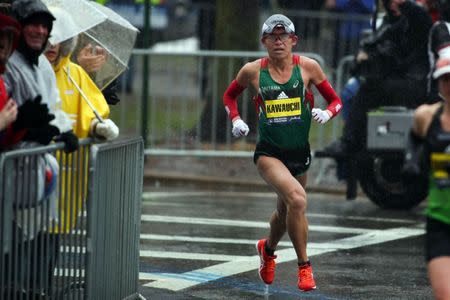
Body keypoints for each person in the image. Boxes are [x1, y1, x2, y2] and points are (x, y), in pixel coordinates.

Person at [223, 14, 342, 292]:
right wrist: (236, 119)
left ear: (293, 40)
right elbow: (229, 96)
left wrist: (326, 112)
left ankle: (267, 250)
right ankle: (304, 267)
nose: (278, 42)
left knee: (285, 209)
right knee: (298, 201)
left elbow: (337, 100)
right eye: (272, 37)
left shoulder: (308, 67)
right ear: (264, 41)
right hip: (269, 153)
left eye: (283, 36)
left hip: (299, 153)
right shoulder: (252, 71)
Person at [325, 0, 432, 155]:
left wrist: (404, 4)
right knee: (355, 92)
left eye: (398, 1)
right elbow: (374, 44)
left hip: (418, 83)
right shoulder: (388, 22)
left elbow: (419, 18)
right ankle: (350, 148)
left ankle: (349, 142)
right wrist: (363, 57)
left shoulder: (418, 19)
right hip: (395, 82)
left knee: (369, 89)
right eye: (390, 1)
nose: (394, 4)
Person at [403, 54, 450, 300]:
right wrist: (412, 161)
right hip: (441, 223)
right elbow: (413, 137)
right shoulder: (426, 116)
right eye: (446, 79)